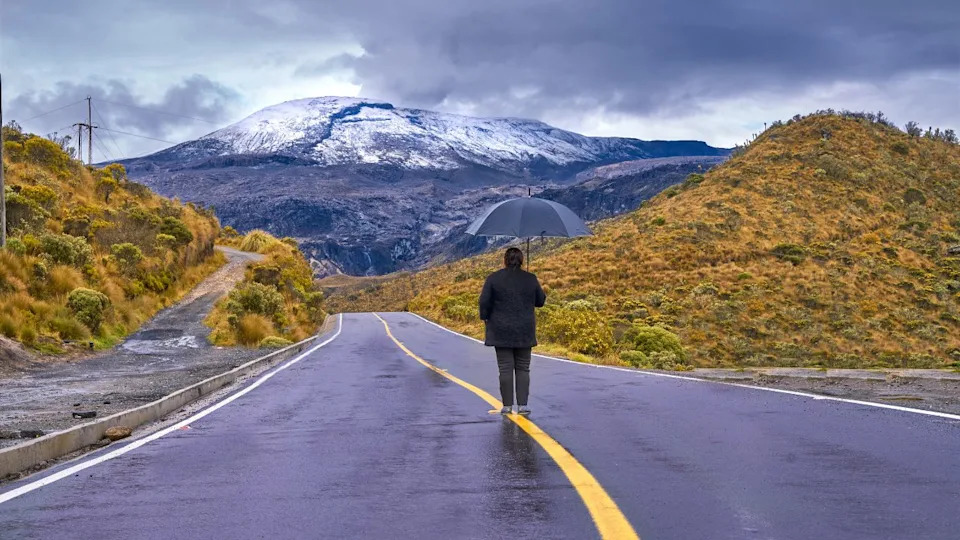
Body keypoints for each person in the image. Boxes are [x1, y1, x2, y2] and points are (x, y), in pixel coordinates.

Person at [478, 247, 546, 415]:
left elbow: (484, 302)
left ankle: (507, 406)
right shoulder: (530, 278)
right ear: (522, 260)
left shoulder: (494, 278)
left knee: (505, 368)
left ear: (505, 260)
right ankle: (523, 405)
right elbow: (540, 301)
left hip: (500, 330)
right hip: (524, 330)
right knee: (523, 367)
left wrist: (486, 318)